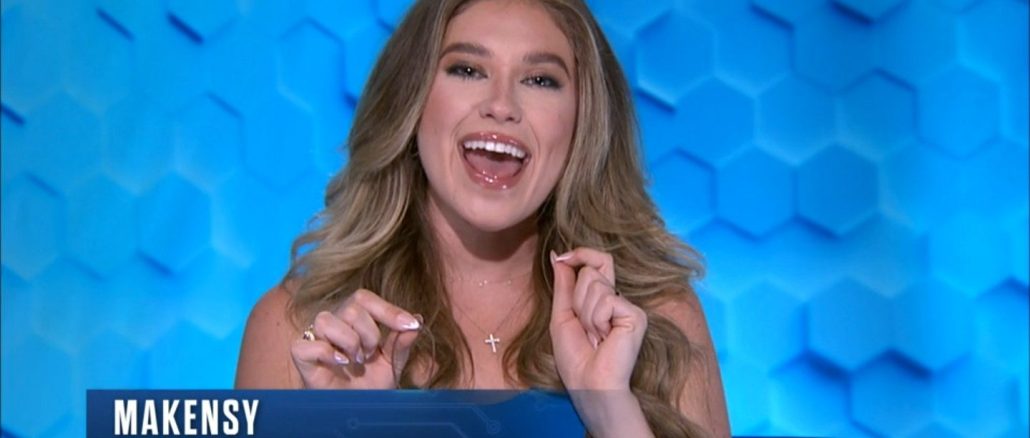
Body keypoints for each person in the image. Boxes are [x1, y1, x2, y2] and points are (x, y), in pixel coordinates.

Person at [236, 0, 730, 436]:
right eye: (468, 70)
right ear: (412, 102)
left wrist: (612, 413)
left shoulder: (658, 321)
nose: (501, 106)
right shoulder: (296, 328)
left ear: (583, 123)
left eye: (540, 80)